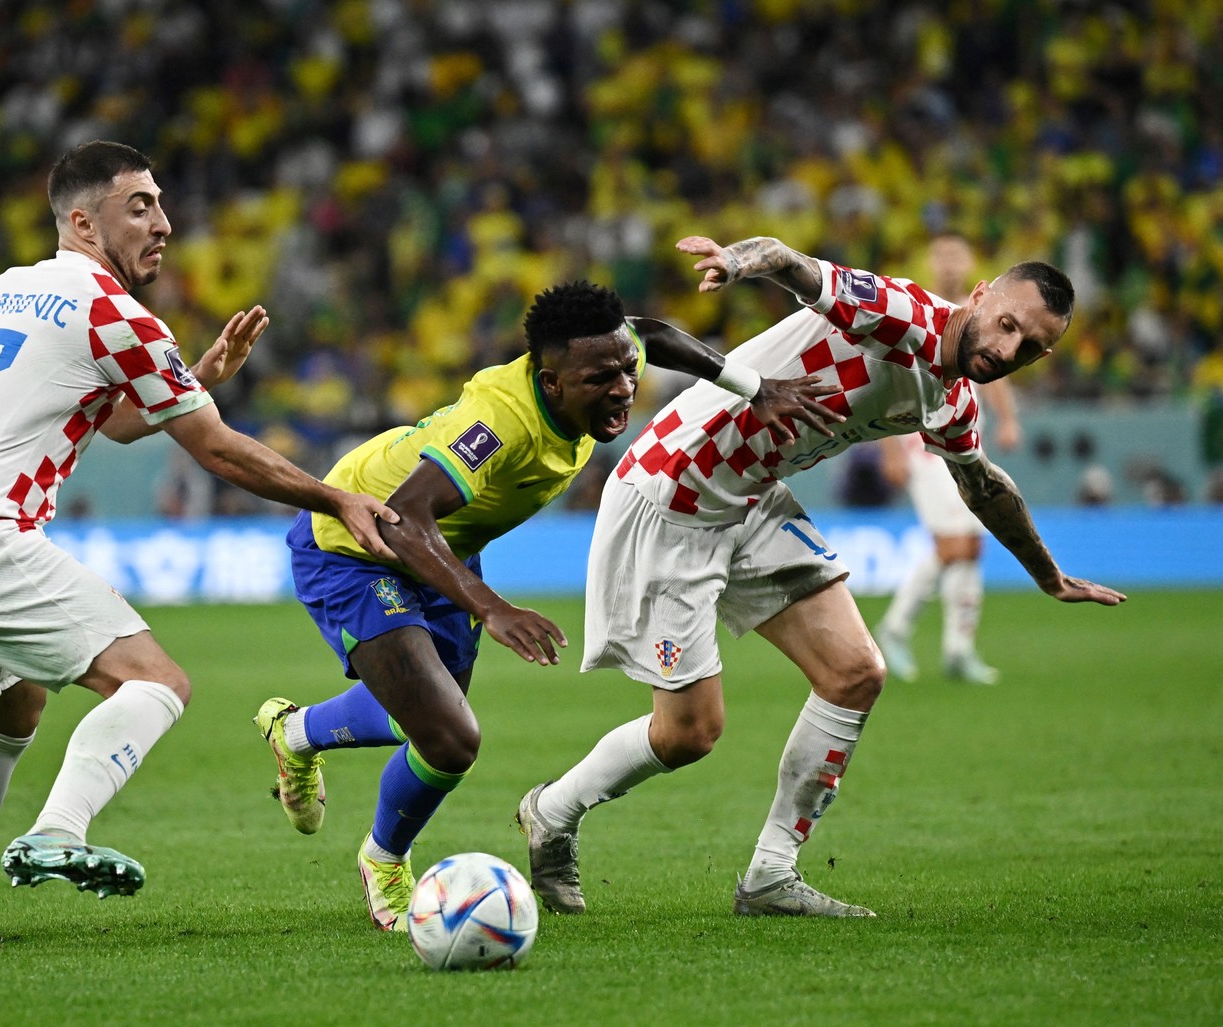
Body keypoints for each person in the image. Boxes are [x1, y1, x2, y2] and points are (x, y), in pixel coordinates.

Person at [515, 234, 1127, 921]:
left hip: (750, 499)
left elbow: (984, 486)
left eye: (1030, 348)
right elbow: (791, 263)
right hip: (675, 492)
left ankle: (770, 876)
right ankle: (550, 809)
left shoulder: (951, 399)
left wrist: (1047, 576)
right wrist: (737, 262)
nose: (1007, 350)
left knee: (854, 671)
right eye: (1007, 325)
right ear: (979, 295)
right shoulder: (898, 314)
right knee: (689, 732)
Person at [0, 141, 400, 944]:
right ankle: (57, 830)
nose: (163, 222)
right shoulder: (114, 312)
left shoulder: (14, 287)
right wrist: (334, 494)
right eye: (139, 206)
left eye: (159, 202)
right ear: (83, 221)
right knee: (155, 681)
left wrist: (194, 377)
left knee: (15, 707)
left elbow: (111, 421)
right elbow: (218, 450)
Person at [253, 279, 843, 931]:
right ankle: (384, 860)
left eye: (625, 370)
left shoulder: (605, 355)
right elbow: (405, 517)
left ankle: (297, 731)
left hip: (443, 545)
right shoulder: (499, 424)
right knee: (448, 737)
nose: (622, 387)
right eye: (600, 377)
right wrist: (491, 608)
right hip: (358, 542)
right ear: (551, 380)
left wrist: (755, 387)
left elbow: (653, 334)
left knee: (424, 721)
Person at [874, 233, 1022, 686]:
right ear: (929, 259)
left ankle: (959, 649)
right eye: (942, 254)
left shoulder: (983, 316)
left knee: (972, 547)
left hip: (964, 443)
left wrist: (1006, 419)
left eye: (958, 254)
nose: (950, 262)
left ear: (972, 261)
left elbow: (994, 375)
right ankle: (894, 630)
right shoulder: (918, 308)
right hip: (922, 447)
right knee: (952, 546)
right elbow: (886, 379)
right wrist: (890, 448)